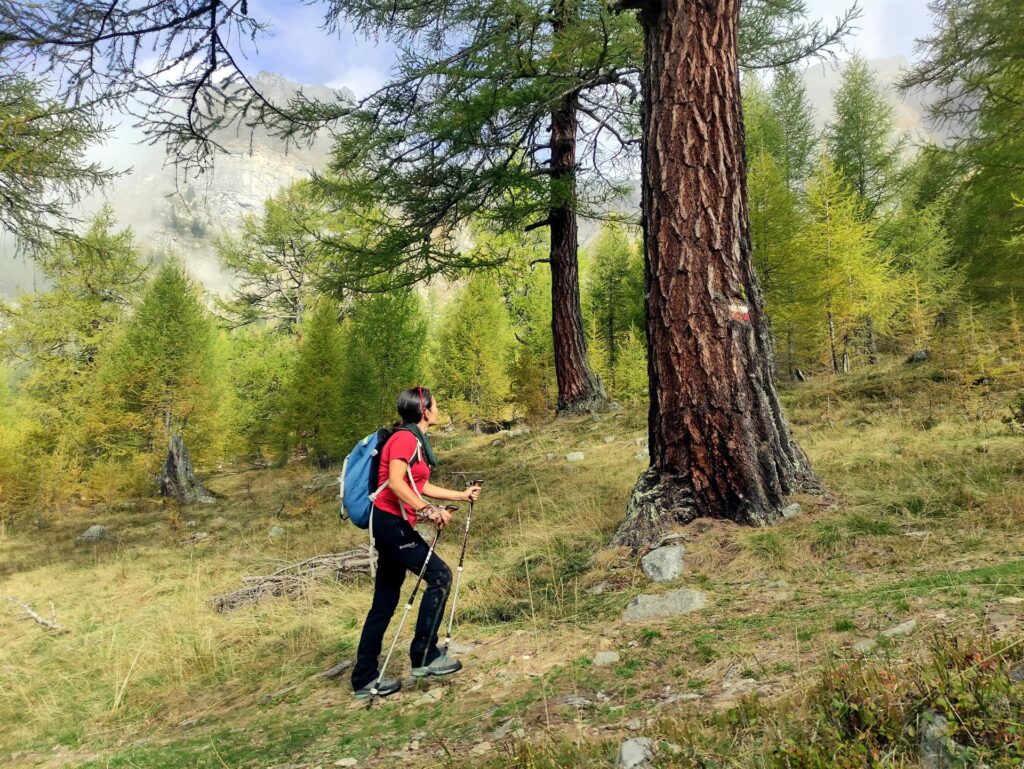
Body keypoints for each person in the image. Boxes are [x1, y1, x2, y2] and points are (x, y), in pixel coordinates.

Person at [351, 386, 482, 699]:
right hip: (390, 524)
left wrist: (460, 496)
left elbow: (419, 483)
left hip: (395, 524)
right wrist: (427, 511)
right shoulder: (405, 439)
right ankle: (424, 655)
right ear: (425, 411)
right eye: (435, 404)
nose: (438, 408)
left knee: (383, 603)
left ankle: (364, 678)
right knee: (441, 576)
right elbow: (396, 483)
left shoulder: (414, 441)